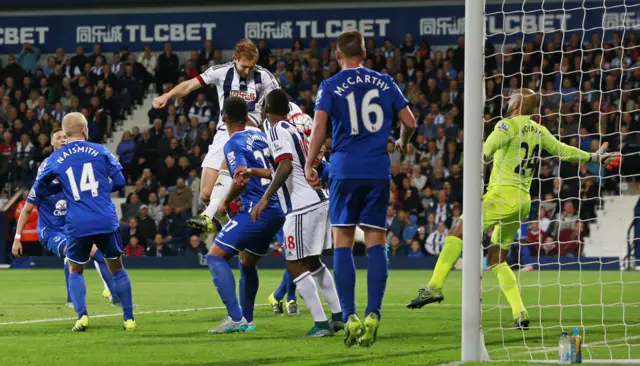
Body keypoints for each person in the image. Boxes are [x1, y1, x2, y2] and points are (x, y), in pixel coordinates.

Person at [406, 88, 620, 330]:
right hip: (522, 202)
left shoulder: (506, 126)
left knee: (457, 231)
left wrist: (465, 168)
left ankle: (433, 287)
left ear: (517, 104)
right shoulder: (539, 130)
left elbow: (482, 153)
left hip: (501, 195)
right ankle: (520, 312)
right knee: (497, 259)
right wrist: (593, 158)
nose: (507, 102)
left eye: (511, 99)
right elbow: (564, 151)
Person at [305, 30, 416, 347]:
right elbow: (410, 122)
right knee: (376, 241)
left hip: (344, 169)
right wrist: (401, 145)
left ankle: (351, 316)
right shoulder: (385, 81)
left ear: (338, 55)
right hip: (377, 169)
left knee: (341, 241)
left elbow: (319, 127)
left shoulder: (329, 86)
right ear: (365, 54)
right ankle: (374, 314)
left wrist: (311, 163)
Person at [153, 39, 279, 233]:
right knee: (205, 194)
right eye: (245, 66)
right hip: (224, 132)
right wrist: (167, 96)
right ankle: (229, 226)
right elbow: (189, 86)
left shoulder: (265, 77)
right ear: (235, 59)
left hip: (249, 133)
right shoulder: (221, 72)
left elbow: (279, 103)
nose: (248, 71)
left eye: (252, 66)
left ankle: (209, 217)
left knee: (226, 172)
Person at [246, 89, 342, 336]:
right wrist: (254, 172)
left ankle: (321, 323)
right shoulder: (294, 129)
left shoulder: (277, 130)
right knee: (313, 262)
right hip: (319, 200)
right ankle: (338, 315)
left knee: (294, 265)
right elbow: (286, 166)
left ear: (267, 108)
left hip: (301, 206)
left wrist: (265, 199)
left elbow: (286, 166)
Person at [32, 112, 136, 332]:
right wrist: (99, 192)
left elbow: (39, 190)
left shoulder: (55, 159)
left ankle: (82, 316)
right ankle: (128, 319)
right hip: (105, 218)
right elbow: (120, 180)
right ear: (85, 130)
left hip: (77, 222)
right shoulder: (100, 150)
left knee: (75, 270)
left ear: (65, 132)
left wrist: (63, 188)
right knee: (117, 267)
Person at [204, 97, 284, 334]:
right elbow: (274, 170)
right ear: (248, 117)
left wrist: (225, 202)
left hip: (256, 209)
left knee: (214, 256)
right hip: (276, 207)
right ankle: (247, 320)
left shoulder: (233, 143)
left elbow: (241, 176)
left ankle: (236, 318)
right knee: (247, 262)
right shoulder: (261, 136)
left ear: (223, 118)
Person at [12, 129, 118, 307]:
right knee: (72, 252)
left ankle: (115, 295)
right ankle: (73, 300)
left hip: (72, 227)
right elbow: (27, 210)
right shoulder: (45, 176)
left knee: (98, 253)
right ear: (52, 144)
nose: (62, 140)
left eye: (65, 137)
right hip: (50, 230)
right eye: (58, 138)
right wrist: (17, 238)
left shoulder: (73, 172)